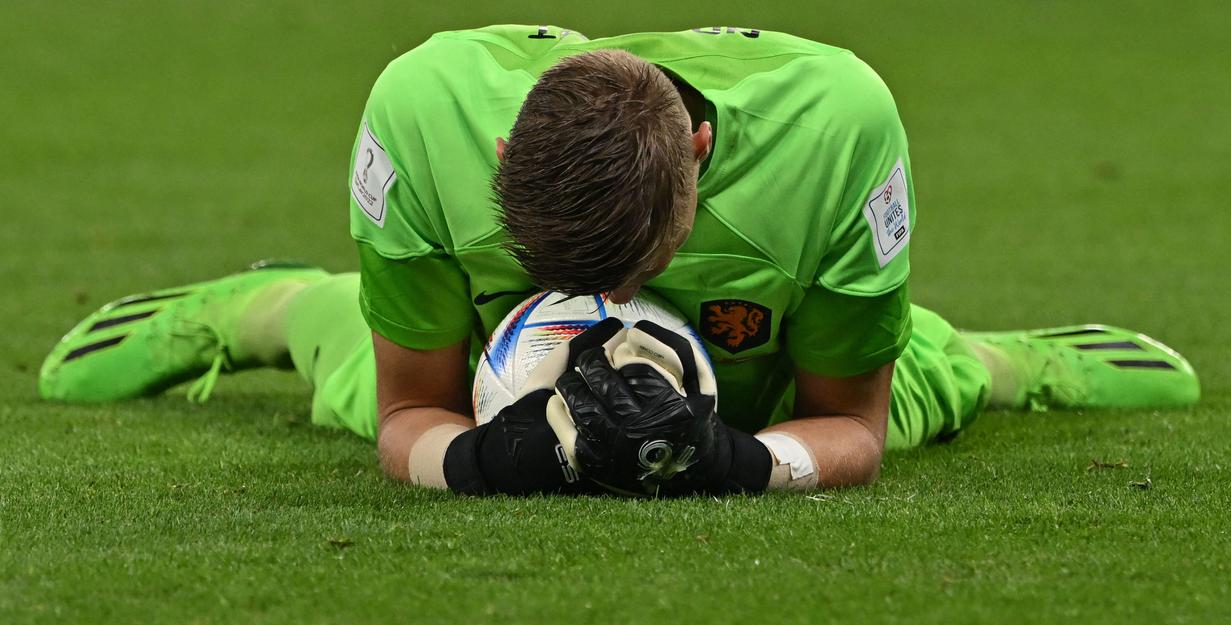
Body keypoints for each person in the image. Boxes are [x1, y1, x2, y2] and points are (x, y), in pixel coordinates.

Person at [39, 25, 1199, 497]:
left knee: (917, 384)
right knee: (350, 359)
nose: (610, 310)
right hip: (492, 345)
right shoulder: (423, 113)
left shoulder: (838, 130)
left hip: (756, 357)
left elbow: (848, 420)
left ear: (699, 155)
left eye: (635, 273)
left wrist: (743, 460)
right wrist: (479, 457)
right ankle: (258, 306)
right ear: (501, 160)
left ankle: (1005, 361)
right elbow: (407, 408)